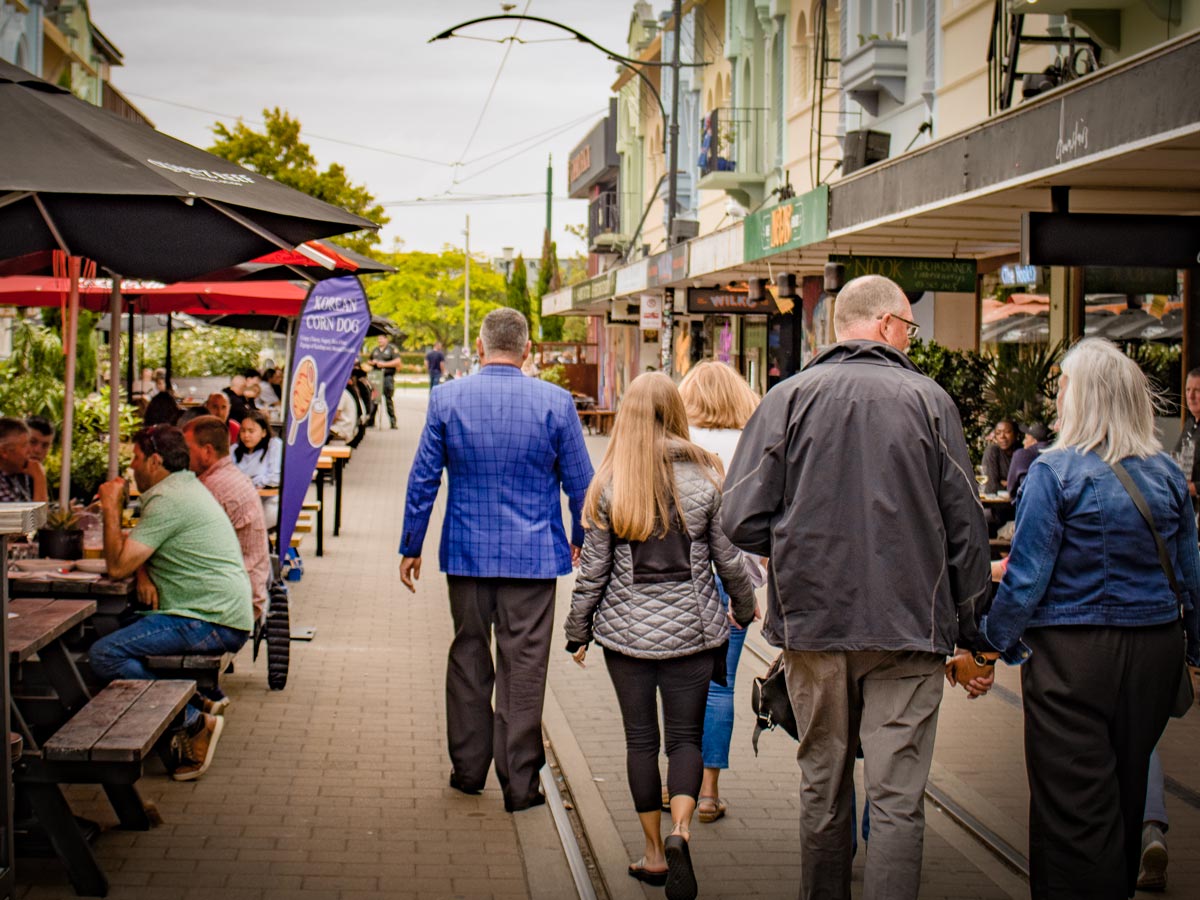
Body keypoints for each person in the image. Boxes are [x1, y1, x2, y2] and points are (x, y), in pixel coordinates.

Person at [721, 275, 991, 900]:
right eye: (910, 330)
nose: (911, 342)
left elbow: (738, 517)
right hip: (910, 632)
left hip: (815, 628)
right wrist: (974, 630)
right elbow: (966, 530)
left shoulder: (788, 399)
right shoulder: (931, 402)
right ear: (890, 324)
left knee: (823, 785)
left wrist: (796, 550)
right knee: (898, 800)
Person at [970, 338, 1200, 900]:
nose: (1059, 398)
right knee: (1125, 792)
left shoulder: (1055, 472)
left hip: (1073, 658)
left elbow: (1027, 578)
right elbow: (1191, 576)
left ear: (1085, 399)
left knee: (1074, 808)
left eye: (1065, 388)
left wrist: (987, 647)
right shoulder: (1167, 474)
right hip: (1154, 651)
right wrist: (1193, 652)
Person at [565, 373, 755, 900]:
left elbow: (594, 574)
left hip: (626, 640)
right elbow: (730, 561)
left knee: (640, 742)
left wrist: (577, 632)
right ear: (676, 412)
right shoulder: (708, 476)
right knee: (686, 739)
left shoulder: (609, 484)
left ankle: (651, 855)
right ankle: (682, 831)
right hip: (694, 635)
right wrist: (745, 607)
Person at [398, 308, 592, 813]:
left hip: (465, 554)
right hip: (533, 560)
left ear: (480, 349)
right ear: (526, 350)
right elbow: (582, 484)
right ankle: (520, 784)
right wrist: (581, 537)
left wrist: (411, 545)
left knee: (468, 657)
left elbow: (423, 480)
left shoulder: (446, 399)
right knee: (523, 667)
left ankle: (467, 771)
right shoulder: (556, 402)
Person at [92, 425, 253, 781]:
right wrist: (144, 573)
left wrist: (109, 510)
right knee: (114, 629)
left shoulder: (168, 499)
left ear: (154, 460)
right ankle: (193, 704)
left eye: (134, 457)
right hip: (218, 612)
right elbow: (140, 555)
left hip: (209, 621)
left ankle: (191, 722)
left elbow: (117, 566)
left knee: (104, 654)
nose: (131, 466)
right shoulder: (181, 488)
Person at [675, 360, 762, 825]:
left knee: (674, 680)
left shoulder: (677, 443)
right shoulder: (755, 444)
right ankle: (708, 791)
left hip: (676, 582)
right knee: (719, 683)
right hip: (734, 582)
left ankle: (677, 783)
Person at [181, 416, 271, 626]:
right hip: (245, 594)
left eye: (188, 448)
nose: (183, 455)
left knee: (110, 648)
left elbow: (185, 547)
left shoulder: (213, 488)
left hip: (230, 606)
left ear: (206, 451)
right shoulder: (228, 476)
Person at [232, 409, 282, 529]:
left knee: (269, 512)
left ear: (263, 432)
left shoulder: (274, 445)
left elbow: (275, 479)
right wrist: (258, 480)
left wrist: (249, 480)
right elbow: (230, 479)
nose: (246, 435)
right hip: (242, 502)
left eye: (251, 431)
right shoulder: (234, 450)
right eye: (243, 431)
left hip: (268, 500)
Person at [0, 417, 47, 503]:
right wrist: (39, 478)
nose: (30, 450)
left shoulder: (16, 474)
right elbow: (37, 516)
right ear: (4, 452)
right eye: (24, 445)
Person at [1006, 422, 1051, 504]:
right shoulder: (1058, 453)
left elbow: (1011, 488)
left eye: (1026, 438)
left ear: (1034, 441)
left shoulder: (1022, 454)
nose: (1023, 442)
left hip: (1028, 505)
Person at [369, 335, 400, 429]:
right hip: (377, 378)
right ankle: (371, 421)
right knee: (374, 399)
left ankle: (393, 422)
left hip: (387, 377)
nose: (380, 341)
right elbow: (369, 361)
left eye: (381, 339)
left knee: (388, 400)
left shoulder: (392, 349)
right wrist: (373, 362)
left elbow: (397, 361)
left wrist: (384, 364)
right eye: (378, 339)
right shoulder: (375, 350)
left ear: (386, 339)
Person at [982, 419, 1018, 493]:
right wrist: (1013, 485)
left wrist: (1006, 483)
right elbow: (991, 486)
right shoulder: (992, 451)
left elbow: (1027, 485)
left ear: (1015, 435)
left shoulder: (1021, 453)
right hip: (996, 502)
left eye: (1007, 432)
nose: (1002, 436)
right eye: (998, 433)